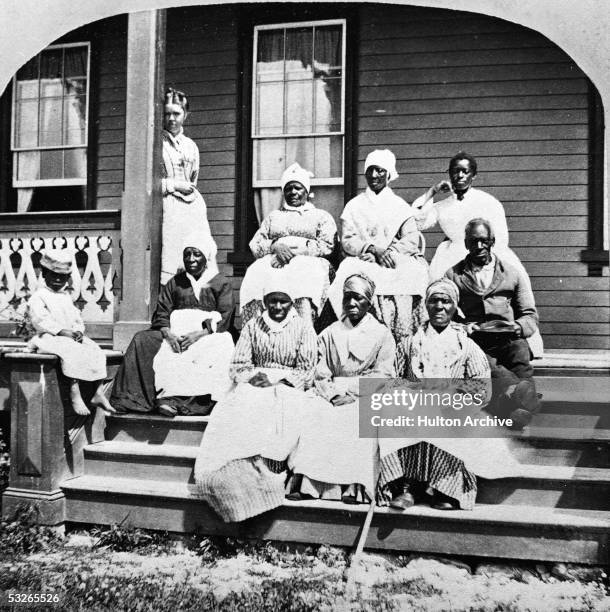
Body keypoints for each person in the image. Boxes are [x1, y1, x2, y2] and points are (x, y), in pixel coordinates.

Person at [378, 278, 521, 511]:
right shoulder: (409, 344)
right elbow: (391, 380)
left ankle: (444, 487)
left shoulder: (466, 346)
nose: (439, 307)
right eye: (434, 301)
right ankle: (406, 487)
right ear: (426, 305)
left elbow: (481, 387)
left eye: (446, 301)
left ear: (455, 306)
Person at [194, 279, 318, 522]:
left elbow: (307, 368)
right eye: (273, 301)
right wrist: (252, 377)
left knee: (282, 406)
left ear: (291, 302)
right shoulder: (253, 325)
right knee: (237, 405)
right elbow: (239, 363)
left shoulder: (303, 327)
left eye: (283, 301)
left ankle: (272, 471)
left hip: (287, 384)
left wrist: (281, 382)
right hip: (256, 381)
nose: (278, 307)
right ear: (265, 302)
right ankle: (241, 475)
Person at [412, 151, 543, 356]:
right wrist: (432, 191)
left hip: (483, 254)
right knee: (441, 296)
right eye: (455, 171)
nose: (460, 176)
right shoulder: (441, 205)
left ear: (474, 175)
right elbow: (417, 221)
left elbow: (500, 237)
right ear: (449, 174)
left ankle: (506, 339)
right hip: (451, 258)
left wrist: (486, 259)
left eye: (465, 171)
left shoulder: (488, 201)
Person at [287, 273, 395, 504]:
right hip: (331, 392)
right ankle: (309, 483)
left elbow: (384, 373)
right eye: (348, 298)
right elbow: (320, 369)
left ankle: (353, 487)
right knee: (315, 414)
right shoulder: (329, 333)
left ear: (369, 302)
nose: (352, 304)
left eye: (359, 298)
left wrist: (352, 392)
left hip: (365, 393)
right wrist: (334, 393)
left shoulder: (382, 335)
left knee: (358, 419)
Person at [110, 234, 234, 416]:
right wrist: (168, 334)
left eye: (196, 254)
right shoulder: (175, 282)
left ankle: (179, 402)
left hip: (206, 333)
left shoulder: (220, 282)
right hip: (175, 333)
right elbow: (162, 311)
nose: (191, 259)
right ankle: (131, 398)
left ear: (206, 257)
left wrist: (198, 335)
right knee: (142, 339)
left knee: (219, 344)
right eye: (187, 254)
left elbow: (226, 315)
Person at [444, 218, 541, 430]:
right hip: (476, 340)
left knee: (520, 352)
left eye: (483, 240)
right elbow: (444, 314)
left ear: (492, 241)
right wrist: (461, 327)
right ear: (466, 243)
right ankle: (516, 399)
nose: (479, 246)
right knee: (483, 362)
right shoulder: (453, 275)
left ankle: (515, 405)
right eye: (473, 241)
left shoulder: (512, 273)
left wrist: (517, 327)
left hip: (508, 339)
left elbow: (529, 315)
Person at [328, 149, 428, 341]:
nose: (374, 175)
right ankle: (354, 333)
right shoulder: (354, 205)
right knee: (348, 274)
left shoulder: (399, 206)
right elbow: (348, 240)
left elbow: (411, 239)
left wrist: (388, 252)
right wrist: (372, 249)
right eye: (370, 170)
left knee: (414, 272)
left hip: (392, 259)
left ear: (389, 174)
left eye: (380, 170)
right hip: (363, 259)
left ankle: (403, 334)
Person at [239, 162, 337, 326]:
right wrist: (274, 246)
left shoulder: (321, 216)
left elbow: (327, 245)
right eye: (288, 188)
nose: (293, 192)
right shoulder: (274, 216)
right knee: (255, 273)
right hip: (274, 261)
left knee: (306, 278)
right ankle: (256, 330)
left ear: (306, 191)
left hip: (308, 263)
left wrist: (293, 252)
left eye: (298, 188)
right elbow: (256, 243)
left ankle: (303, 330)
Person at [28, 249, 113, 416]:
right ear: (44, 273)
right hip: (48, 338)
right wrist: (61, 331)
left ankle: (98, 391)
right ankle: (75, 392)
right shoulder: (39, 296)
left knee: (94, 348)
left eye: (63, 276)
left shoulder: (65, 296)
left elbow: (76, 318)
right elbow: (40, 320)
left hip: (69, 337)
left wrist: (78, 331)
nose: (58, 279)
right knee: (70, 350)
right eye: (54, 275)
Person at [161, 87, 214, 285]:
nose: (172, 118)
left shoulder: (191, 145)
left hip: (192, 208)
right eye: (167, 114)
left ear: (186, 115)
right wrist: (174, 185)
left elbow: (193, 179)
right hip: (168, 206)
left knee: (195, 253)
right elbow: (147, 185)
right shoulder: (156, 143)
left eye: (176, 113)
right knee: (172, 256)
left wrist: (187, 190)